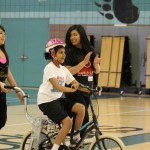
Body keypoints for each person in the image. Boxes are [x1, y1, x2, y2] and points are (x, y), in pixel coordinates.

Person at [37, 38, 85, 150]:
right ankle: (55, 148)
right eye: (60, 52)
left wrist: (92, 88)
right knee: (67, 123)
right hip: (46, 101)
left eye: (64, 52)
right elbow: (57, 86)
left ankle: (75, 138)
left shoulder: (63, 69)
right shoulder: (49, 68)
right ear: (53, 53)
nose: (64, 55)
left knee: (81, 108)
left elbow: (75, 83)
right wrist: (72, 89)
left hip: (56, 99)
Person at [64, 25, 101, 137]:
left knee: (83, 122)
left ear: (82, 35)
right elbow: (68, 72)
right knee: (84, 117)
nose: (72, 37)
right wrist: (83, 63)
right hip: (74, 90)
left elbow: (96, 71)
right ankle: (74, 140)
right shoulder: (69, 51)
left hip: (87, 90)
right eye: (70, 35)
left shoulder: (90, 50)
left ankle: (75, 142)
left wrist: (95, 64)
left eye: (75, 34)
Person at [0, 25, 24, 130]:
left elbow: (7, 71)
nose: (3, 36)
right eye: (0, 33)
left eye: (4, 34)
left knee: (1, 121)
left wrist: (17, 90)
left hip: (2, 92)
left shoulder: (4, 52)